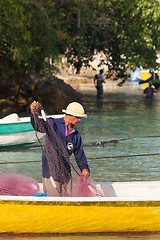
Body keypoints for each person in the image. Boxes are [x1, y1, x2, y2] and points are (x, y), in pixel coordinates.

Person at [30, 101, 90, 197]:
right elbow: (38, 126)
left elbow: (80, 154)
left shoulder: (76, 135)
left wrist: (84, 168)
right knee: (53, 199)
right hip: (51, 171)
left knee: (67, 199)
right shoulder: (53, 123)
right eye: (78, 117)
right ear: (70, 115)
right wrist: (33, 113)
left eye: (81, 118)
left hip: (66, 173)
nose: (80, 120)